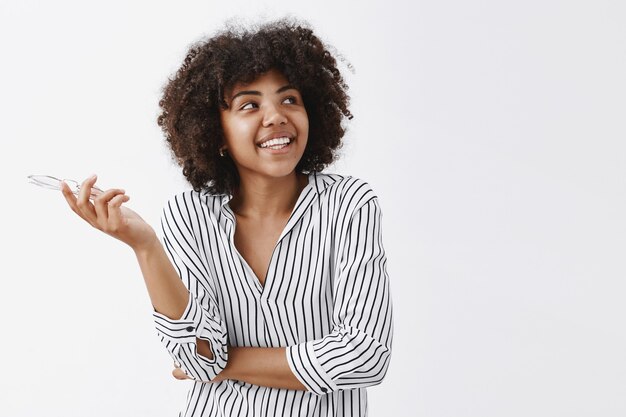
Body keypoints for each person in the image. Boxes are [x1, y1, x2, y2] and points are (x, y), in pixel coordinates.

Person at [60, 18, 393, 417]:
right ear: (215, 133)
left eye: (289, 99)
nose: (275, 116)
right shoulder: (189, 215)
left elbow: (364, 356)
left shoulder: (349, 204)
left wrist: (228, 361)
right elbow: (197, 356)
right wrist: (145, 246)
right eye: (249, 105)